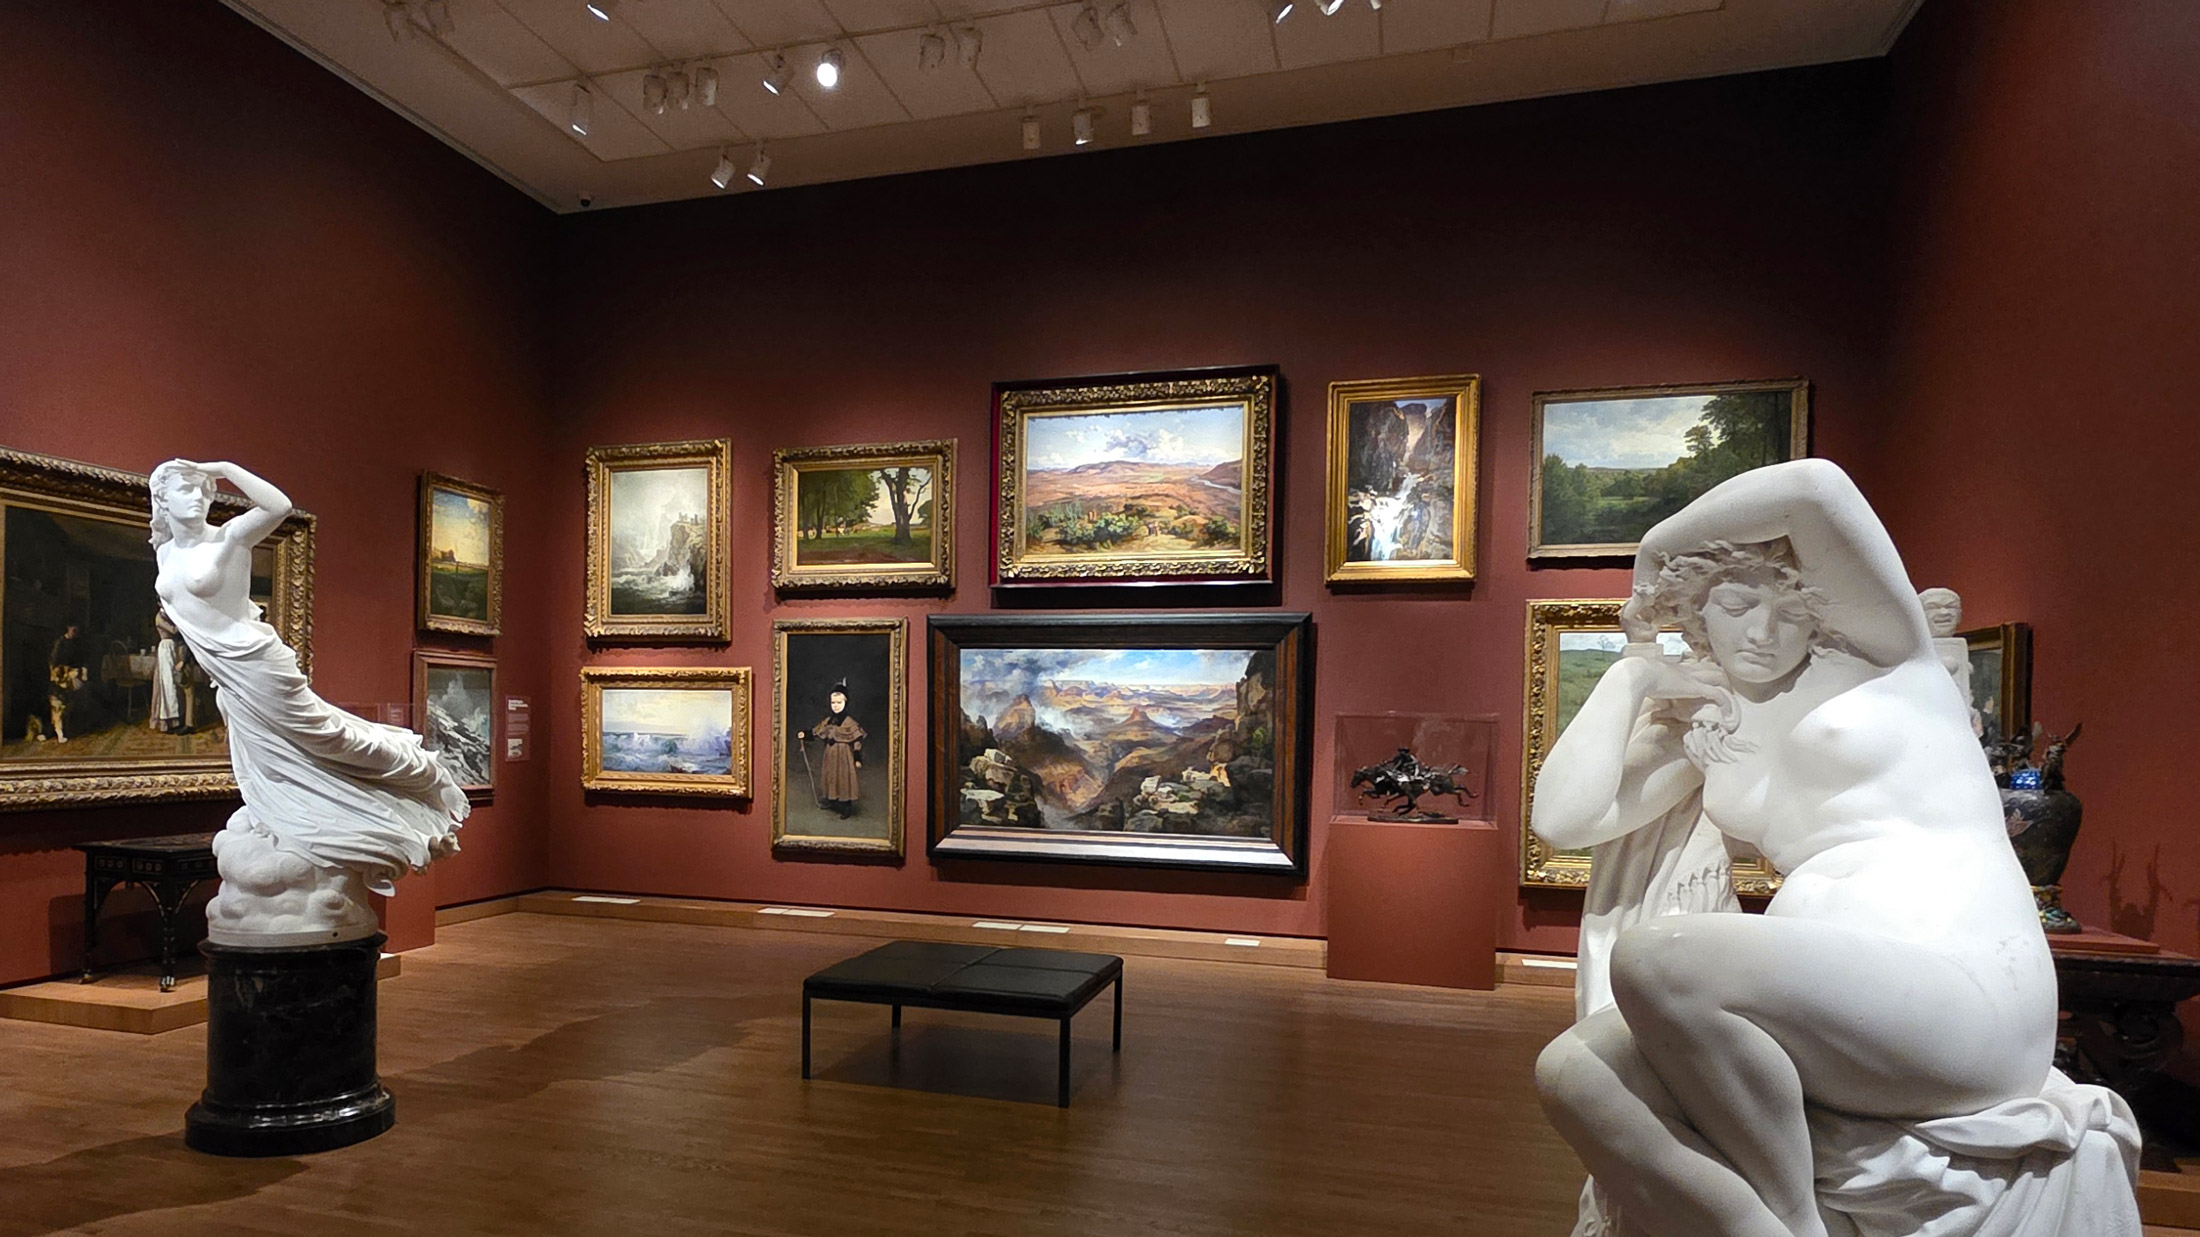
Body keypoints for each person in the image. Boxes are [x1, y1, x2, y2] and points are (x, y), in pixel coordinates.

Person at [1530, 459, 2136, 1237]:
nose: (1761, 631)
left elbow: (1815, 488)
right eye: (1736, 605)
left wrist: (1659, 542)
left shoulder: (1884, 654)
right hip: (1833, 1011)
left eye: (1784, 609)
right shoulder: (1716, 724)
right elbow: (1566, 819)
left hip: (1963, 987)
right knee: (1573, 1072)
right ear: (1696, 613)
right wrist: (1634, 677)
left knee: (1658, 959)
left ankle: (1792, 1211)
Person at [150, 459, 467, 942]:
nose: (198, 498)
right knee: (266, 755)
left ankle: (418, 769)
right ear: (163, 501)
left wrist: (224, 467)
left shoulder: (229, 537)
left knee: (321, 733)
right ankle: (283, 816)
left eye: (203, 490)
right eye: (185, 490)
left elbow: (277, 505)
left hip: (256, 660)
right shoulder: (165, 552)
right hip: (228, 677)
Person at [798, 681, 864, 818]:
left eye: (839, 703)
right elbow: (818, 731)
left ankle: (846, 806)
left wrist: (857, 757)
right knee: (831, 776)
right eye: (833, 702)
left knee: (844, 778)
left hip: (844, 755)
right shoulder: (828, 720)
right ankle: (832, 800)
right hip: (831, 754)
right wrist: (805, 734)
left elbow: (857, 740)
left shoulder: (850, 722)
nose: (835, 706)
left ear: (845, 703)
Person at [46, 623, 89, 742]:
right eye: (73, 630)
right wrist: (62, 673)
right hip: (60, 677)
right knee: (58, 706)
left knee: (71, 702)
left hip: (71, 676)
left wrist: (79, 670)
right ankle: (55, 731)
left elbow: (78, 660)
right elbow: (54, 664)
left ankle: (69, 728)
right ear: (68, 629)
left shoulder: (75, 643)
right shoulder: (60, 643)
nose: (75, 633)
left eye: (76, 631)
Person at [150, 609, 184, 733]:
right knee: (167, 684)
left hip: (172, 649)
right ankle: (166, 721)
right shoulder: (159, 617)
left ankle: (176, 719)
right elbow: (173, 630)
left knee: (174, 683)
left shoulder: (168, 615)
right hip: (165, 648)